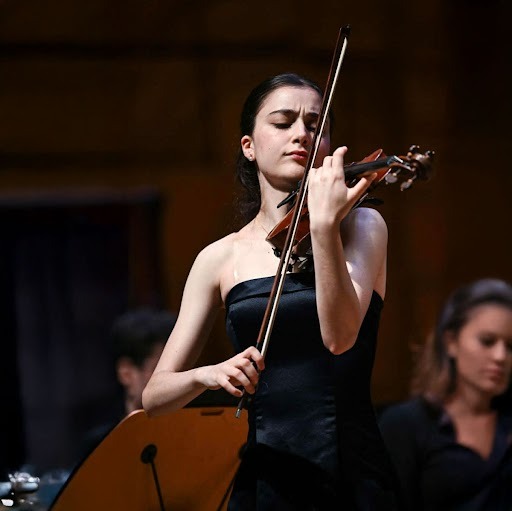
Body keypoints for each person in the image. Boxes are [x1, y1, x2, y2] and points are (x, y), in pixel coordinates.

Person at [142, 73, 399, 509]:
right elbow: (155, 397)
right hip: (266, 482)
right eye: (283, 122)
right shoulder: (219, 258)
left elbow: (340, 337)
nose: (302, 134)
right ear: (249, 146)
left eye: (315, 125)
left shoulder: (361, 227)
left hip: (353, 474)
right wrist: (209, 374)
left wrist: (324, 227)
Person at [379, 278, 512, 510]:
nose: (501, 356)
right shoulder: (406, 423)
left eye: (511, 347)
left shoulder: (507, 421)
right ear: (451, 342)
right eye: (487, 341)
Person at [80, 307, 177, 456]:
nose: (174, 379)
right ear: (126, 374)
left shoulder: (192, 436)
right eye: (159, 369)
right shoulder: (99, 447)